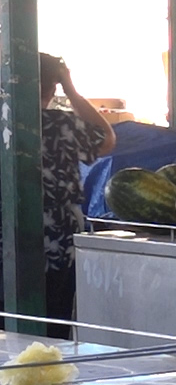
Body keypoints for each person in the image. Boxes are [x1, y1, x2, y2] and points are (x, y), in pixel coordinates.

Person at [37, 54, 117, 332]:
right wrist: (71, 89)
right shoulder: (61, 125)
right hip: (56, 240)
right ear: (52, 88)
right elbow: (106, 139)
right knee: (52, 323)